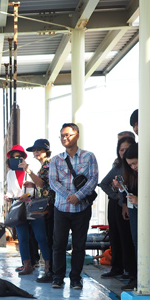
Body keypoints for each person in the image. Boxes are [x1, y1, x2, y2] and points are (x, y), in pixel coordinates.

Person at [48, 123, 99, 290]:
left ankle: (76, 278)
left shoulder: (89, 157)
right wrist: (69, 196)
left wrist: (78, 196)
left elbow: (93, 179)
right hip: (61, 208)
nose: (65, 138)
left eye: (68, 135)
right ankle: (58, 277)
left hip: (81, 209)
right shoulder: (56, 159)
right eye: (62, 135)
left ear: (77, 135)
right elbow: (53, 182)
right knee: (59, 244)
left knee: (79, 244)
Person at [4, 144, 51, 276]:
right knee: (22, 238)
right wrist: (8, 196)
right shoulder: (10, 173)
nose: (17, 159)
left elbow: (39, 187)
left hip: (33, 206)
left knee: (41, 237)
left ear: (24, 157)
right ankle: (27, 265)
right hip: (18, 207)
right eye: (14, 157)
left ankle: (48, 265)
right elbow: (10, 190)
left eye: (19, 157)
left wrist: (28, 194)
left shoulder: (31, 168)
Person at [98, 133, 135, 281]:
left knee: (128, 238)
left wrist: (123, 199)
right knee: (115, 236)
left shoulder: (135, 166)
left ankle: (130, 270)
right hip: (117, 204)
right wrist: (117, 195)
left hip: (131, 205)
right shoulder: (117, 166)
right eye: (121, 149)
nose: (124, 152)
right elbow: (104, 183)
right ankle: (117, 266)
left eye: (127, 149)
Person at [25, 138, 57, 282]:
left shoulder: (48, 165)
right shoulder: (44, 166)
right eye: (34, 150)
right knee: (46, 238)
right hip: (46, 206)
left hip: (50, 207)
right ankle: (49, 269)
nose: (36, 152)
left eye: (39, 150)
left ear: (46, 151)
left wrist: (28, 170)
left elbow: (42, 183)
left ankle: (50, 271)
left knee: (48, 238)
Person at [119, 143, 140, 291]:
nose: (133, 167)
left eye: (135, 163)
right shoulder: (131, 174)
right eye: (130, 164)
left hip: (147, 211)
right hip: (134, 210)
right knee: (135, 241)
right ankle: (137, 277)